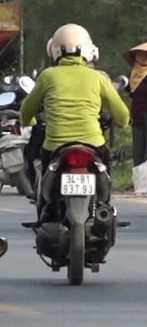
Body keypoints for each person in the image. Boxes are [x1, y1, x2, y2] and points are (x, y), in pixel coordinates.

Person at [19, 25, 130, 205]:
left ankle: (45, 208)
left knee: (41, 167)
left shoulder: (48, 76)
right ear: (88, 50)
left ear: (54, 51)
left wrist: (28, 120)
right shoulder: (98, 77)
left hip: (55, 144)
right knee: (105, 169)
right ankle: (105, 206)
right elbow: (123, 115)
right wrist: (122, 123)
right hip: (93, 143)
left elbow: (26, 110)